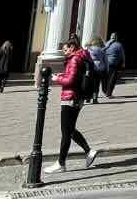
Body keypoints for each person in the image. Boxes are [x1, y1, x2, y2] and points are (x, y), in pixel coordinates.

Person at [44, 36, 100, 175]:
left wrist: (58, 78)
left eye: (65, 49)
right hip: (77, 98)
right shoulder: (81, 57)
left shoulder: (75, 58)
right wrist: (63, 74)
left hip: (71, 97)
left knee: (66, 132)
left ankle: (61, 163)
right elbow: (74, 75)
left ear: (72, 47)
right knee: (70, 129)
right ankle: (88, 151)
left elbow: (71, 80)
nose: (64, 52)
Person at [84, 38, 107, 103]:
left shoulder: (89, 50)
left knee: (89, 84)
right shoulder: (102, 51)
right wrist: (106, 70)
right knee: (96, 85)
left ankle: (88, 98)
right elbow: (106, 61)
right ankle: (95, 99)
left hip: (90, 69)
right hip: (100, 69)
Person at [103, 33, 124, 98]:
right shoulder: (118, 45)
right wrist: (123, 63)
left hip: (106, 63)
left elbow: (102, 52)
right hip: (114, 64)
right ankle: (109, 93)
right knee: (112, 79)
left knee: (106, 78)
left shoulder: (106, 44)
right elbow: (122, 55)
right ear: (116, 38)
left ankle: (105, 91)